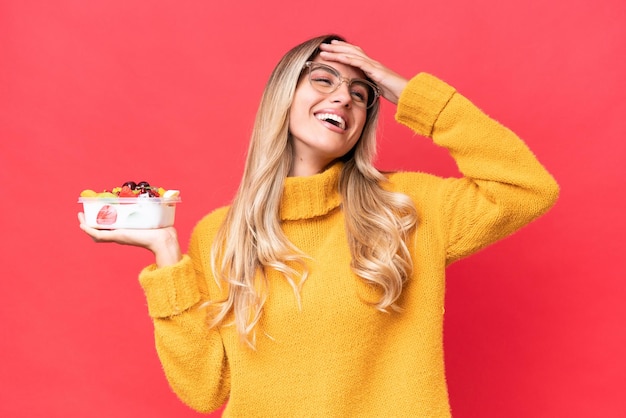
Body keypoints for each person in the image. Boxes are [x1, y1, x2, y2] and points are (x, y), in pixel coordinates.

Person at [78, 34, 559, 417]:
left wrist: (407, 92)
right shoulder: (219, 235)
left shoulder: (408, 208)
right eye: (323, 79)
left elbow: (527, 188)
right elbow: (204, 391)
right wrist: (166, 257)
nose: (344, 99)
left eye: (360, 93)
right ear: (283, 95)